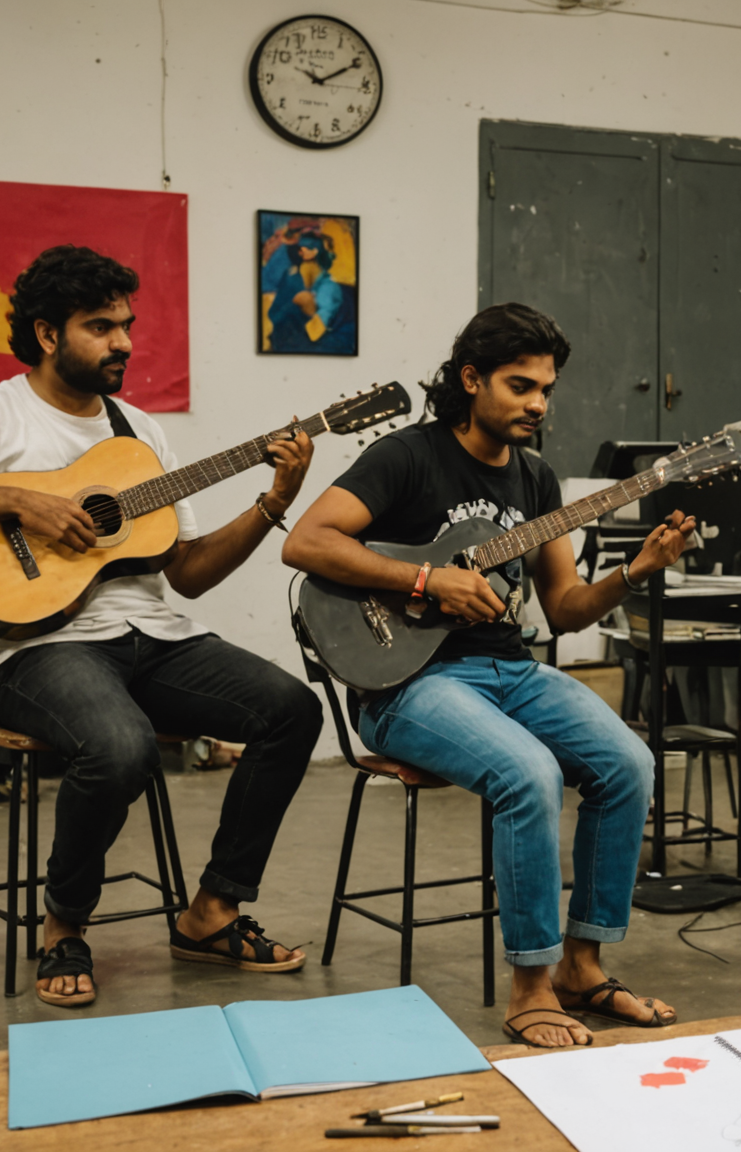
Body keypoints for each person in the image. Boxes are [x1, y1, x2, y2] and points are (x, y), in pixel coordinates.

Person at [0, 245, 323, 1008]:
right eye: (101, 327)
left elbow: (186, 570)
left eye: (126, 325)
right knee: (120, 747)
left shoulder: (139, 434)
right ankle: (63, 924)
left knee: (291, 709)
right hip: (30, 648)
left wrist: (271, 502)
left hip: (150, 636)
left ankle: (211, 912)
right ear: (47, 333)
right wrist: (11, 503)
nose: (123, 342)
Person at [283, 303, 685, 1049]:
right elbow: (306, 543)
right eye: (520, 385)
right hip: (407, 684)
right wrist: (427, 581)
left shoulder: (535, 480)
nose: (538, 403)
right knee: (528, 773)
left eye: (547, 390)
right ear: (471, 380)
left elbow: (564, 610)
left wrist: (635, 571)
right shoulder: (407, 456)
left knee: (629, 762)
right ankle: (529, 986)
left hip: (510, 670)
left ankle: (582, 967)